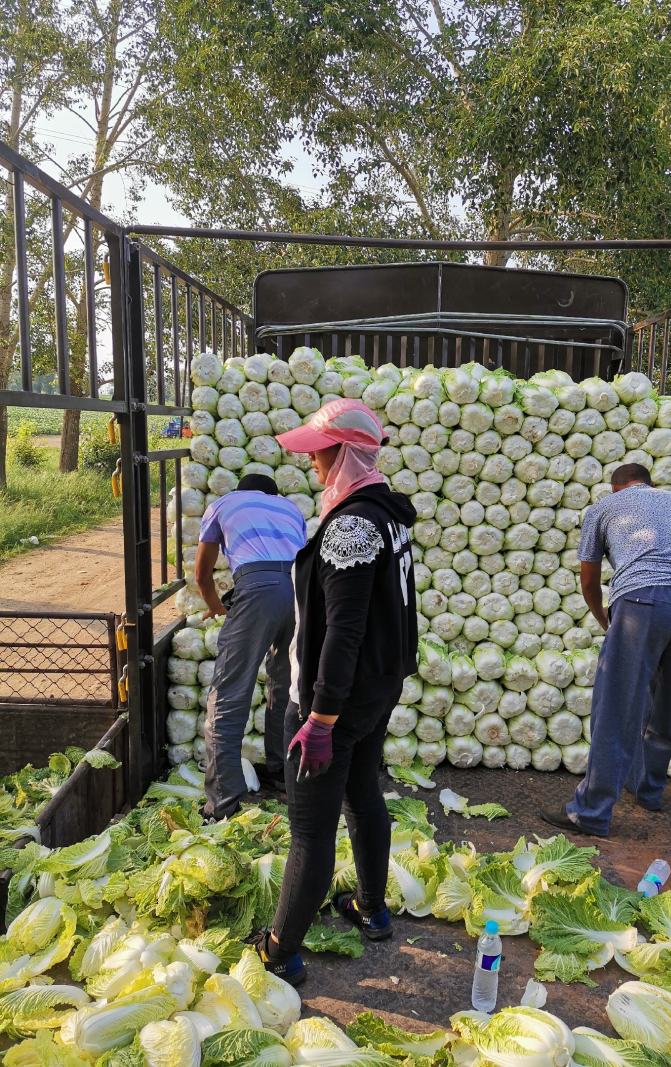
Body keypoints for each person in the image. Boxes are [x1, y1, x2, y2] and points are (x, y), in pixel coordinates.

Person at [247, 398, 417, 987]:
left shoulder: (349, 527)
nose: (313, 463)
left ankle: (281, 948)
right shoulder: (386, 512)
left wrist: (319, 718)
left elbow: (344, 630)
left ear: (342, 453)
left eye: (319, 453)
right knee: (363, 791)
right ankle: (372, 907)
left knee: (311, 830)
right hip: (375, 690)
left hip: (335, 700)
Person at [543, 462, 671, 838]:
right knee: (668, 695)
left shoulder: (603, 508)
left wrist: (605, 619)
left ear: (617, 487)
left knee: (616, 703)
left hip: (644, 601)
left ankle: (590, 811)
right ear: (649, 484)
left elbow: (589, 578)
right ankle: (648, 790)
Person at [195, 473, 306, 820]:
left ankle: (223, 802)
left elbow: (202, 573)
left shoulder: (223, 504)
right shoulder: (291, 508)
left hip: (258, 588)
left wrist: (215, 605)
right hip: (301, 592)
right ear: (274, 494)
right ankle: (282, 775)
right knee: (287, 687)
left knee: (229, 691)